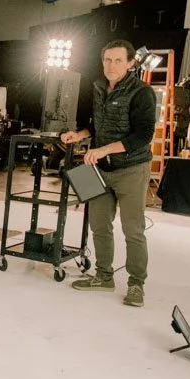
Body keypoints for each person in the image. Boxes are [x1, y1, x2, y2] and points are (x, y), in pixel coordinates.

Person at [60, 40, 158, 307]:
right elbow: (95, 124)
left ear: (130, 63)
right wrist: (78, 134)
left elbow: (143, 135)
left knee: (133, 230)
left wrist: (103, 150)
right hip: (99, 169)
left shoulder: (142, 92)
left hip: (131, 169)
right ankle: (104, 276)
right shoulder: (98, 87)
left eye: (117, 60)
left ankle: (136, 284)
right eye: (107, 60)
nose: (111, 65)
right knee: (99, 225)